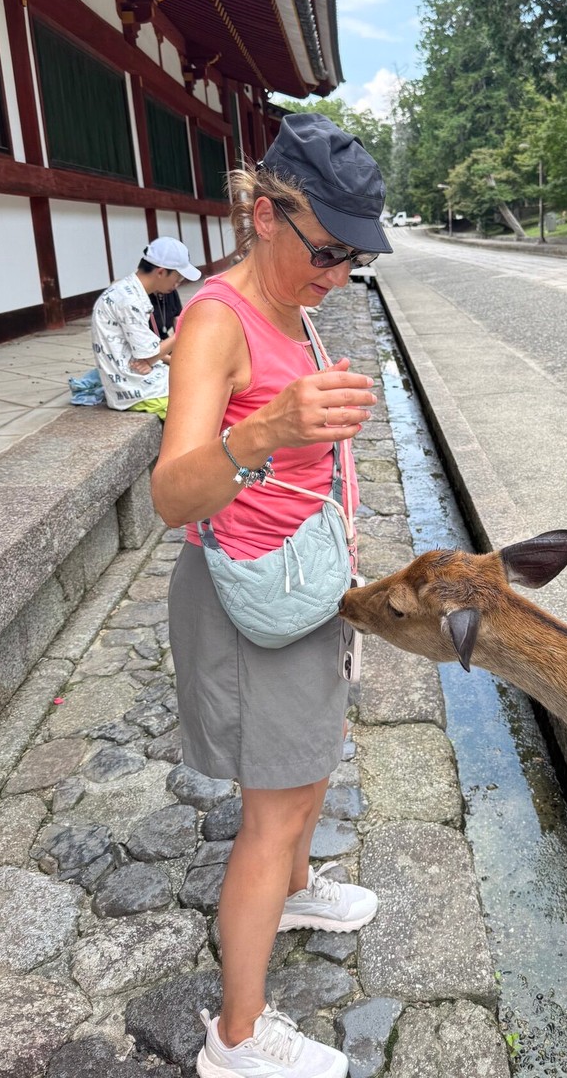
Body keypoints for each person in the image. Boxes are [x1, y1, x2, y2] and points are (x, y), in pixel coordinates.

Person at [151, 114, 392, 1078]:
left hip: (308, 577)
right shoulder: (216, 318)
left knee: (316, 755)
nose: (336, 274)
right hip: (252, 594)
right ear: (263, 214)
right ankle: (237, 1038)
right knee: (272, 810)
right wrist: (266, 434)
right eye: (326, 250)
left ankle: (296, 886)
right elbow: (173, 493)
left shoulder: (297, 307)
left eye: (353, 259)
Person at [91, 236, 201, 418]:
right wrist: (185, 332)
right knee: (204, 394)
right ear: (160, 272)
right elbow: (149, 354)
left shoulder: (129, 290)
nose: (177, 284)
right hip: (137, 389)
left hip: (140, 378)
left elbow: (149, 356)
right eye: (178, 277)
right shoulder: (129, 299)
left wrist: (151, 358)